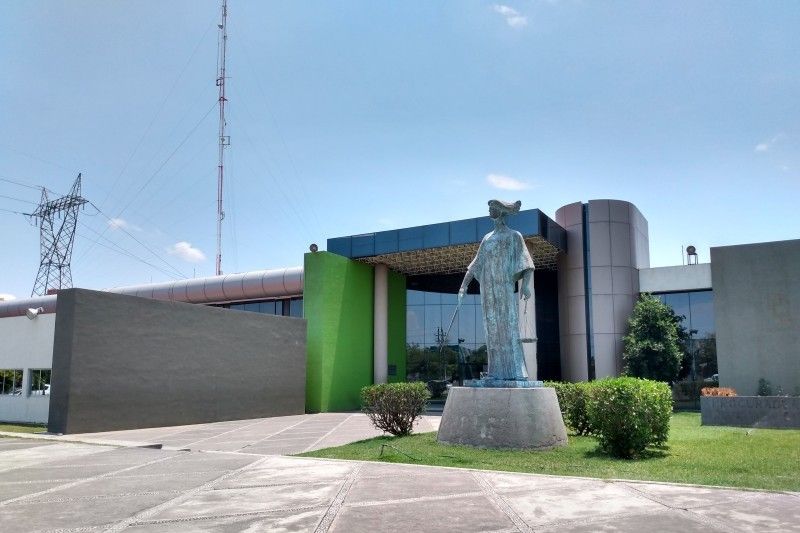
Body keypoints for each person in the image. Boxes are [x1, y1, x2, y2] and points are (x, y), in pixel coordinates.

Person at [458, 199, 534, 380]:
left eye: (492, 208)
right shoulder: (487, 238)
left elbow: (526, 262)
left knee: (508, 326)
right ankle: (495, 372)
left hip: (504, 286)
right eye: (489, 208)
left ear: (501, 212)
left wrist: (526, 285)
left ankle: (515, 372)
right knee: (491, 329)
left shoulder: (514, 236)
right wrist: (463, 285)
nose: (489, 211)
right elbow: (476, 264)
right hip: (488, 288)